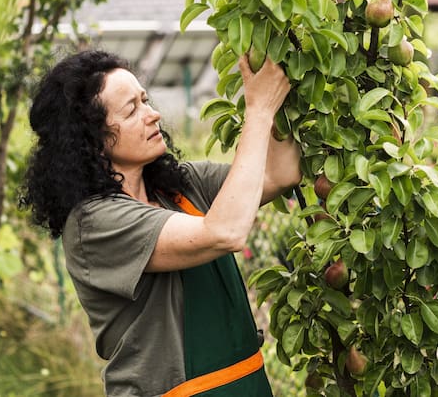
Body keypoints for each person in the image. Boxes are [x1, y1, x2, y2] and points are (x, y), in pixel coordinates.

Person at [22, 49, 301, 396]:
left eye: (146, 100)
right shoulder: (94, 223)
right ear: (93, 140)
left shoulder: (180, 187)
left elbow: (279, 174)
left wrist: (278, 95)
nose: (153, 115)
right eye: (132, 110)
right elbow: (224, 232)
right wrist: (257, 111)